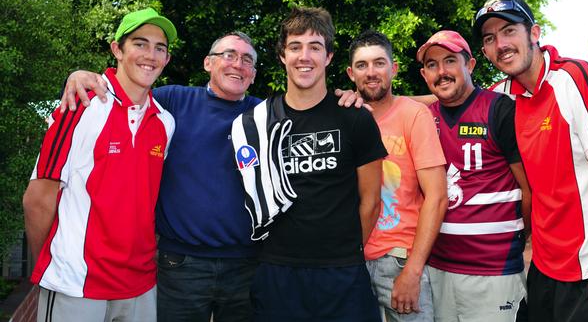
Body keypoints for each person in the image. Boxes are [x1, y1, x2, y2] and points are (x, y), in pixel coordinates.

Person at [61, 34, 363, 321]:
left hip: (248, 263)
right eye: (228, 55)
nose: (237, 64)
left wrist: (348, 97)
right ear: (208, 63)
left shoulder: (267, 114)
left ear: (254, 75)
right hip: (181, 263)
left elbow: (313, 114)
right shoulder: (173, 101)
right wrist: (81, 76)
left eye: (247, 60)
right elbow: (126, 91)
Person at [475, 0, 588, 321]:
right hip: (545, 271)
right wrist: (373, 100)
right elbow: (453, 96)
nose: (501, 43)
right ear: (484, 51)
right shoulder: (502, 97)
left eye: (509, 30)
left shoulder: (575, 79)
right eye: (490, 38)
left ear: (534, 33)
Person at [231, 7, 387, 322]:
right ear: (282, 56)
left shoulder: (355, 118)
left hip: (341, 273)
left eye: (315, 47)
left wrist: (343, 252)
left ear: (328, 56)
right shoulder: (254, 124)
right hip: (276, 272)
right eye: (295, 47)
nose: (305, 56)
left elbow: (371, 201)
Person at [22, 8, 176, 322]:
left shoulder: (165, 122)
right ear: (117, 49)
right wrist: (48, 268)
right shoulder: (80, 105)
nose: (150, 55)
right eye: (140, 44)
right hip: (75, 285)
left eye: (160, 48)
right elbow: (37, 199)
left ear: (167, 59)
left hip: (140, 286)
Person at [416, 29, 531, 321]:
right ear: (424, 75)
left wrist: (518, 240)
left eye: (450, 61)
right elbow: (394, 105)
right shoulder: (425, 118)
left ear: (469, 65)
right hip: (438, 268)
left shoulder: (499, 109)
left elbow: (529, 190)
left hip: (493, 271)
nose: (441, 72)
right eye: (432, 65)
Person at [345, 30, 447, 320]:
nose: (371, 72)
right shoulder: (345, 119)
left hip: (399, 259)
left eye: (379, 63)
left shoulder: (413, 115)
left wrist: (413, 271)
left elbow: (437, 197)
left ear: (394, 68)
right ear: (351, 74)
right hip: (352, 261)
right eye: (362, 65)